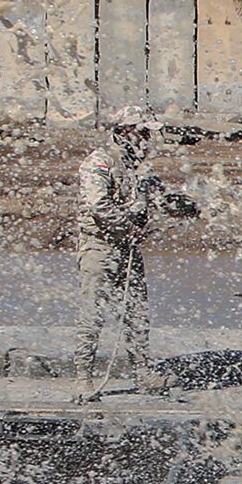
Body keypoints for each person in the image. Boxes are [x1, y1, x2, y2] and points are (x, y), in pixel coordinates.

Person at [73, 109, 197, 392]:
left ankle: (142, 373)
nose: (147, 139)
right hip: (100, 248)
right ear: (124, 131)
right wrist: (128, 227)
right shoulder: (100, 161)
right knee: (92, 316)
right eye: (142, 132)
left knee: (137, 313)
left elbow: (160, 199)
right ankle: (84, 380)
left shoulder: (139, 167)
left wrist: (186, 206)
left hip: (127, 250)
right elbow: (98, 205)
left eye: (149, 134)